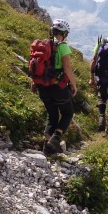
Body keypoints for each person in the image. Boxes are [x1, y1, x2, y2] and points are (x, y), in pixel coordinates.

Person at [34, 19, 78, 155]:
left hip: (42, 86)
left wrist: (34, 82)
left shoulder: (43, 45)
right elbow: (67, 67)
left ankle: (47, 148)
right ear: (64, 34)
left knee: (52, 115)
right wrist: (74, 84)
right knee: (67, 113)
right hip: (57, 87)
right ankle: (56, 137)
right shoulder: (63, 46)